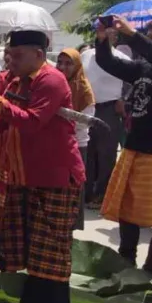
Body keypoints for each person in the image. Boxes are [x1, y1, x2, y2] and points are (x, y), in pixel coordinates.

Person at [0, 29, 85, 303]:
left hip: (55, 175)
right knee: (28, 246)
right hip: (22, 175)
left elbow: (33, 122)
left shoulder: (52, 80)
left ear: (39, 55)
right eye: (9, 55)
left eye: (17, 55)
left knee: (51, 249)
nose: (10, 60)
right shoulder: (15, 80)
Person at [96, 17, 152, 272]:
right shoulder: (144, 67)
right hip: (134, 148)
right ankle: (126, 259)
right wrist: (102, 40)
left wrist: (133, 35)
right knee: (127, 208)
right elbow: (109, 63)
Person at [81, 34, 129, 207]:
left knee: (106, 153)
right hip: (87, 107)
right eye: (100, 33)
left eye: (109, 34)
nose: (104, 37)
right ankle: (86, 193)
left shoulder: (122, 58)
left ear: (115, 38)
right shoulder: (86, 55)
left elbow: (130, 82)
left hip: (109, 109)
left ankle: (102, 194)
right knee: (88, 150)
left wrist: (124, 99)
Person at [56, 48, 96, 230]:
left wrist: (59, 116)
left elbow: (84, 123)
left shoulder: (84, 90)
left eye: (68, 63)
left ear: (77, 65)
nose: (63, 67)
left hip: (77, 145)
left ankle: (71, 230)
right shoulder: (52, 85)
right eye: (60, 62)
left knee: (73, 189)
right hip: (54, 144)